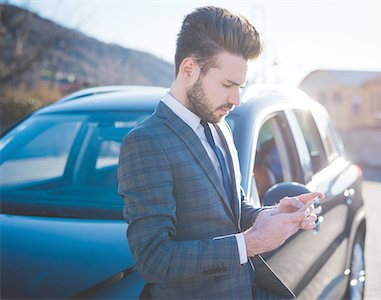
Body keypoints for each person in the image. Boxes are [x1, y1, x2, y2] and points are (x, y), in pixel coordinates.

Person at [118, 6, 323, 299]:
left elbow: (232, 208)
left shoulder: (220, 126)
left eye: (240, 86)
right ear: (189, 70)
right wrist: (250, 243)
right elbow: (154, 260)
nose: (236, 100)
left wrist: (271, 214)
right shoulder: (146, 143)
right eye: (227, 85)